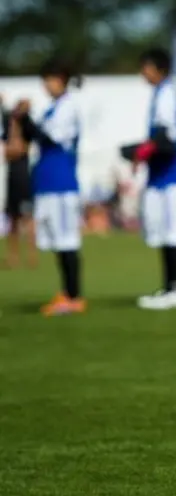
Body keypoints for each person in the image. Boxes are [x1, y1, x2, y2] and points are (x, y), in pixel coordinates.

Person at [12, 59, 86, 315]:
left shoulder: (68, 108)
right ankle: (66, 292)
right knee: (56, 241)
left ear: (62, 80)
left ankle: (74, 296)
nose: (46, 85)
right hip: (47, 183)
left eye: (50, 79)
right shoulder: (53, 108)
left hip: (62, 184)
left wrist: (26, 118)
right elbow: (33, 134)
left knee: (67, 240)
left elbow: (49, 137)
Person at [124, 47, 176, 309]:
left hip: (172, 174)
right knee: (163, 232)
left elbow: (168, 138)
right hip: (160, 174)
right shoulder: (158, 94)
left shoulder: (167, 94)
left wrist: (143, 150)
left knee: (174, 232)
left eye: (147, 67)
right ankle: (168, 287)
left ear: (159, 69)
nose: (143, 72)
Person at [2, 97, 38, 269]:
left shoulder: (27, 129)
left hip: (23, 177)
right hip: (12, 177)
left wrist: (11, 149)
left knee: (28, 218)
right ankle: (13, 256)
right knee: (13, 219)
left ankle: (32, 255)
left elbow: (15, 150)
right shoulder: (9, 127)